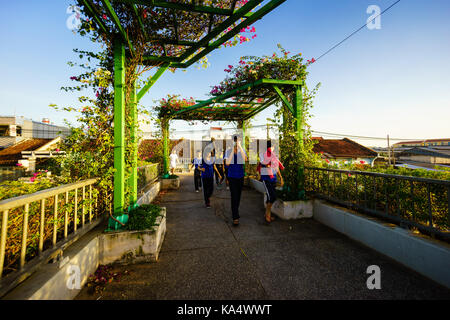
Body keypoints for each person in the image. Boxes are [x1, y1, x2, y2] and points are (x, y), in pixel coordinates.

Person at [257, 141, 284, 224]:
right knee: (271, 197)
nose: (273, 148)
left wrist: (280, 177)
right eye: (272, 147)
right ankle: (267, 214)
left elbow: (277, 168)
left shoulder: (274, 156)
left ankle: (267, 214)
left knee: (272, 197)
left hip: (273, 179)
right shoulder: (262, 155)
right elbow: (264, 164)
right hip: (266, 179)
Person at [225, 135, 247, 226]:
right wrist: (232, 150)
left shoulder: (242, 150)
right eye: (235, 141)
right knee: (234, 196)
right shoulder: (228, 151)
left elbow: (245, 159)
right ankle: (235, 217)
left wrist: (240, 147)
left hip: (240, 177)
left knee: (238, 196)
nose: (236, 142)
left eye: (238, 141)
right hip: (232, 177)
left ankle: (235, 211)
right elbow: (227, 163)